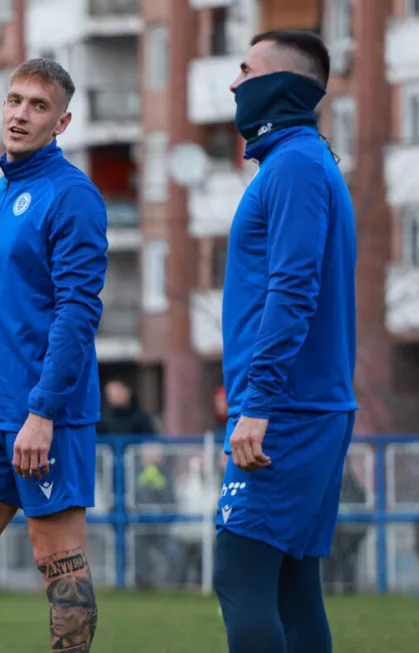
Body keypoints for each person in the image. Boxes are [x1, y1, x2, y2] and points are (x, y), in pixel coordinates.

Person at [0, 58, 108, 653]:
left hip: (45, 417)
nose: (21, 114)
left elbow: (78, 312)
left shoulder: (73, 196)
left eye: (38, 106)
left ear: (61, 122)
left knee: (58, 563)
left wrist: (43, 411)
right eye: (14, 100)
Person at [214, 30, 356, 653]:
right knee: (293, 590)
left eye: (246, 71)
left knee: (239, 572)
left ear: (279, 85)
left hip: (287, 410)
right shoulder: (299, 161)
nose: (234, 84)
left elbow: (293, 289)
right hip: (302, 406)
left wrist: (258, 403)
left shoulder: (296, 165)